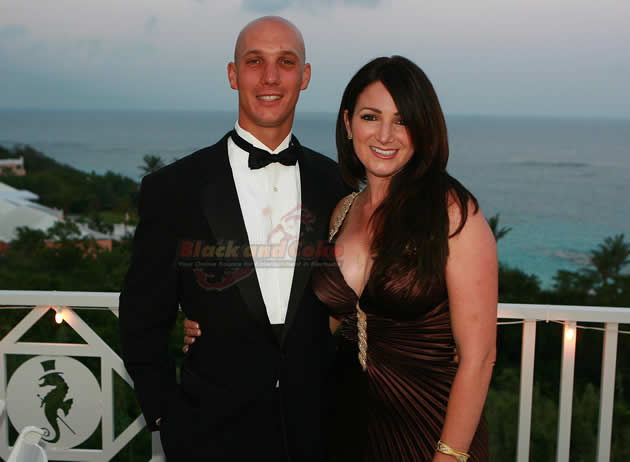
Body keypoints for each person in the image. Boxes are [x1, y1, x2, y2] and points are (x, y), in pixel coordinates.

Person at [184, 55, 498, 461]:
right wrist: (219, 325)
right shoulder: (343, 211)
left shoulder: (453, 213)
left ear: (423, 129)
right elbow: (314, 326)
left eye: (402, 121)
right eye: (371, 117)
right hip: (342, 424)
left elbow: (479, 357)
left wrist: (449, 455)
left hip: (430, 428)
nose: (385, 135)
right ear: (349, 124)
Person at [119, 16, 347, 462]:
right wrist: (166, 417)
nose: (270, 77)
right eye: (254, 61)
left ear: (304, 76)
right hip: (209, 436)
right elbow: (141, 317)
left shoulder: (337, 185)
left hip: (318, 432)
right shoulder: (175, 188)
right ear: (232, 74)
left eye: (286, 62)